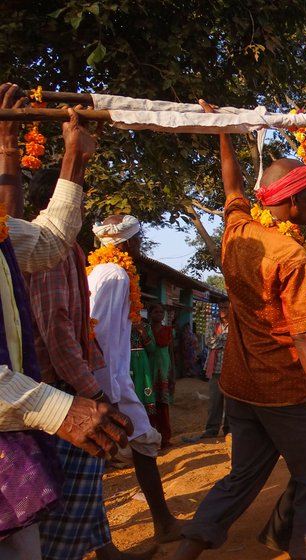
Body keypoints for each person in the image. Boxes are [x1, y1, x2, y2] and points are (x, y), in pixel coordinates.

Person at [172, 100, 306, 560]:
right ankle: (305, 548)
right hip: (286, 390)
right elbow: (304, 336)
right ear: (292, 201)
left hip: (240, 385)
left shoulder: (238, 229)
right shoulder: (292, 257)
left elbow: (231, 186)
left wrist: (223, 132)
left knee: (241, 478)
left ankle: (185, 554)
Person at [0, 82, 132, 559]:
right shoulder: (93, 266)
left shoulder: (20, 239)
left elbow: (44, 242)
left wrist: (63, 157)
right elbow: (56, 327)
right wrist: (75, 400)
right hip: (48, 396)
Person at [25, 168, 153, 560]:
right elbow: (59, 331)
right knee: (69, 494)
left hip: (77, 378)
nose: (82, 211)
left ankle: (107, 550)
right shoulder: (48, 250)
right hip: (60, 388)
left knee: (89, 478)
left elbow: (83, 330)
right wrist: (97, 391)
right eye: (78, 203)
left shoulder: (73, 251)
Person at [89, 214, 182, 543]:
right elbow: (99, 332)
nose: (141, 244)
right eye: (139, 239)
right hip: (107, 380)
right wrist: (109, 391)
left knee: (142, 442)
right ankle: (105, 543)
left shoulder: (107, 272)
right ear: (126, 243)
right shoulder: (113, 275)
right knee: (102, 458)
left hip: (112, 379)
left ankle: (163, 523)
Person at [185, 299, 231, 441]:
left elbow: (231, 341)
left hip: (232, 369)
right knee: (214, 401)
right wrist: (226, 339)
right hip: (215, 367)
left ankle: (229, 429)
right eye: (220, 306)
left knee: (231, 402)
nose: (222, 309)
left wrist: (219, 340)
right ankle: (212, 429)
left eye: (225, 306)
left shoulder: (236, 323)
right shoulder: (212, 323)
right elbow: (210, 342)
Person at [147, 303, 175, 447]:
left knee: (163, 405)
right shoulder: (145, 330)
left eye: (161, 312)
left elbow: (171, 352)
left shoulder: (168, 330)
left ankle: (165, 438)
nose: (159, 314)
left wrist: (172, 372)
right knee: (150, 405)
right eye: (156, 311)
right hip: (148, 371)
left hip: (164, 370)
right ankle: (151, 438)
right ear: (150, 314)